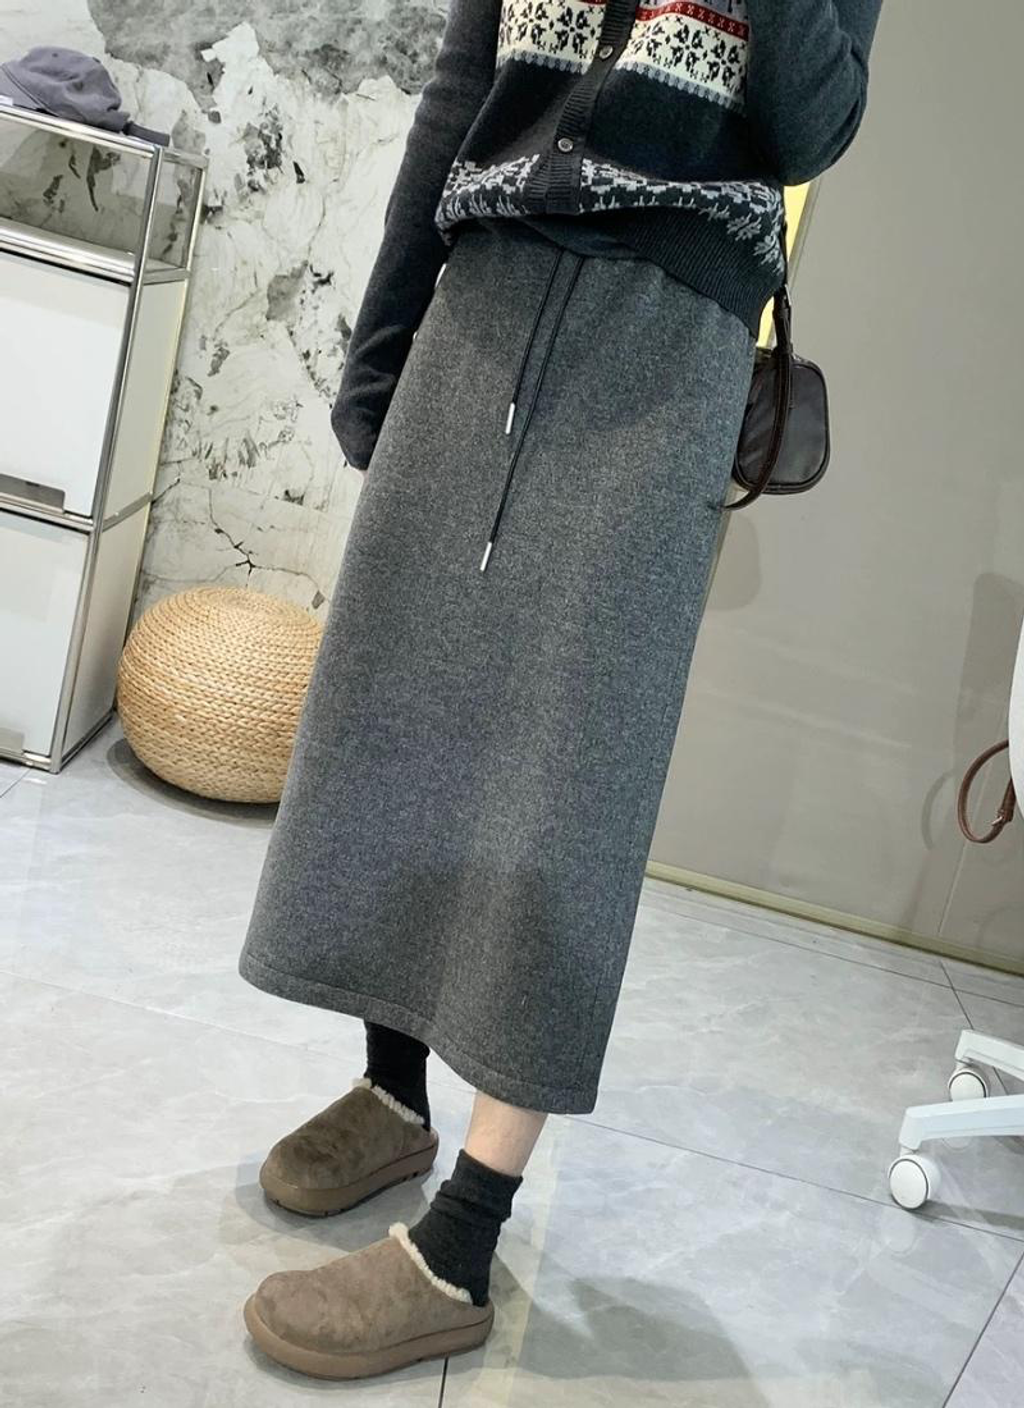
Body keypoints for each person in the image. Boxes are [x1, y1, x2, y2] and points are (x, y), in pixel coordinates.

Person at [237, 0, 883, 1381]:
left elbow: (816, 123)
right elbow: (462, 85)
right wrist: (383, 342)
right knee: (408, 714)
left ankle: (462, 1239)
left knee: (567, 770)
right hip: (486, 290)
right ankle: (392, 1091)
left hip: (669, 332)